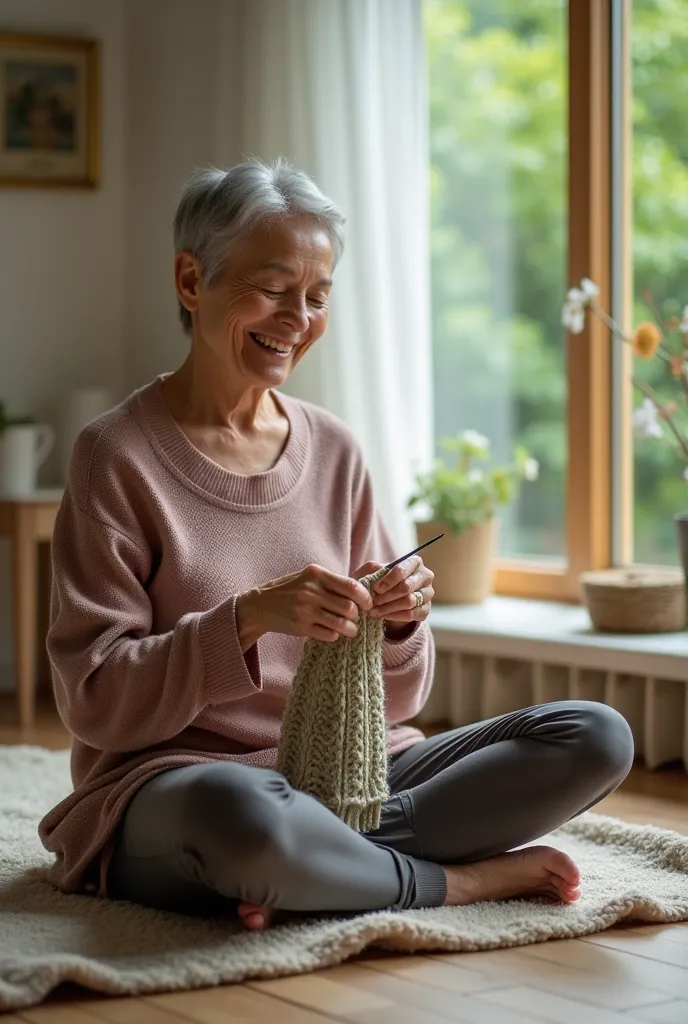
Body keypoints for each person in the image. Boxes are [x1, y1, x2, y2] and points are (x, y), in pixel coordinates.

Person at [39, 158, 634, 931]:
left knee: (594, 736)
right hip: (182, 783)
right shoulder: (114, 455)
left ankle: (319, 869)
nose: (299, 316)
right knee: (245, 817)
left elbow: (403, 702)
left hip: (357, 774)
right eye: (275, 287)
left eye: (317, 297)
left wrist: (398, 623)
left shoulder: (334, 449)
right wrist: (247, 619)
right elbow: (95, 702)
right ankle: (456, 882)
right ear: (192, 281)